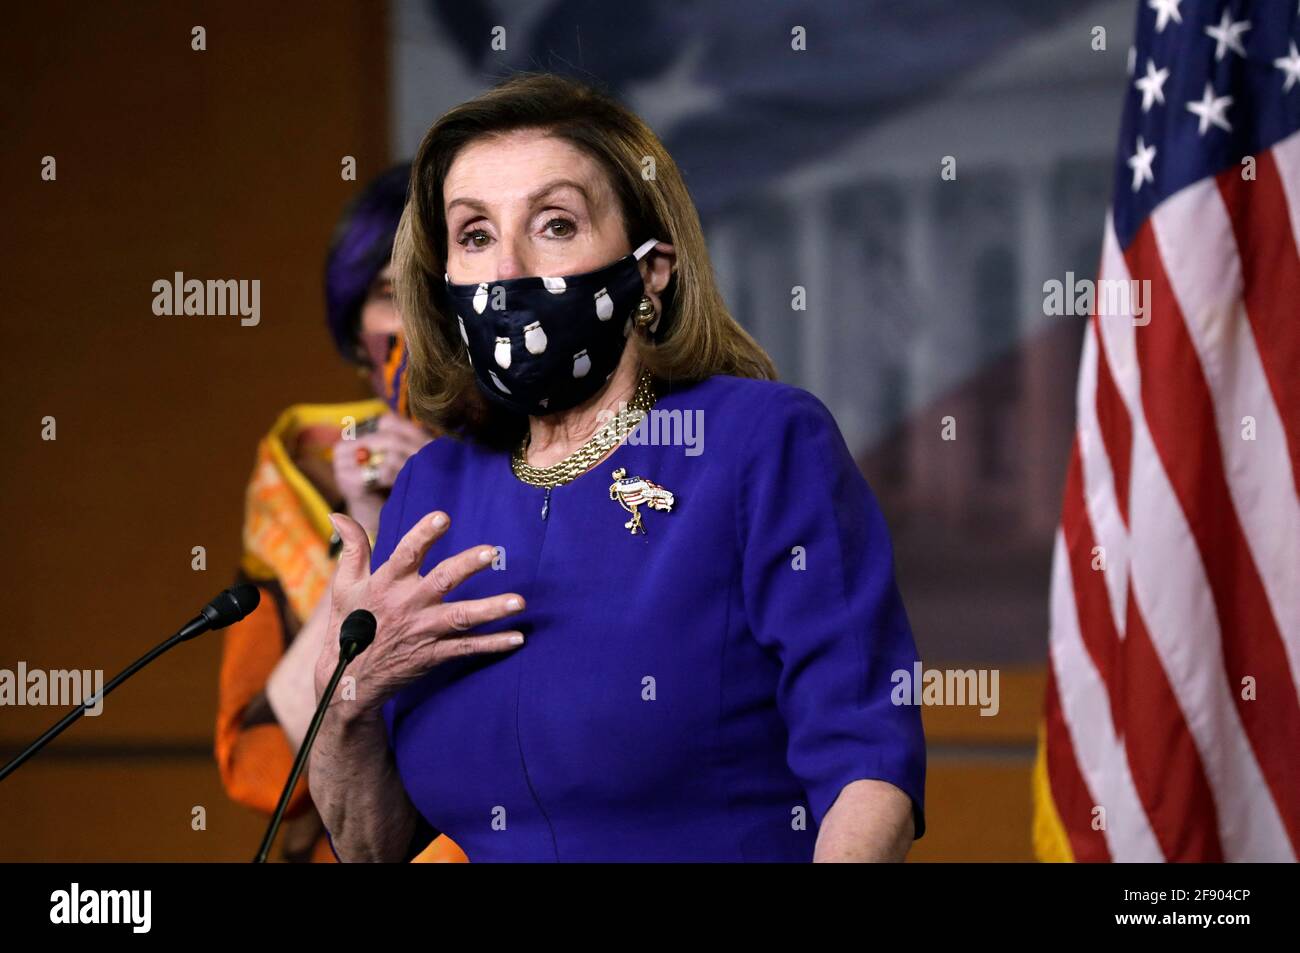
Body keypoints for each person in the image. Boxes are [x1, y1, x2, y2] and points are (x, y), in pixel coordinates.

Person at [310, 73, 926, 862]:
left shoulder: (761, 442)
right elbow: (376, 848)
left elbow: (867, 770)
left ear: (651, 269)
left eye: (556, 224)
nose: (508, 269)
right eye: (474, 236)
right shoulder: (433, 488)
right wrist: (346, 696)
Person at [214, 164, 466, 862]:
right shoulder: (303, 480)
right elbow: (266, 761)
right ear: (356, 328)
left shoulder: (549, 459)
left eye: (438, 290)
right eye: (391, 293)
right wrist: (373, 525)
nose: (417, 322)